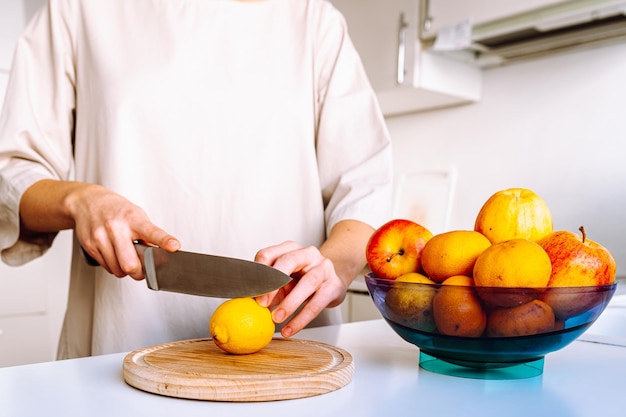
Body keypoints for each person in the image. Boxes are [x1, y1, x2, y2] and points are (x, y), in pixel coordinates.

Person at [0, 0, 392, 359]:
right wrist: (79, 200)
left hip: (291, 355)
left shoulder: (313, 20)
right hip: (116, 347)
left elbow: (364, 186)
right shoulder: (77, 10)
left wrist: (335, 267)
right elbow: (12, 179)